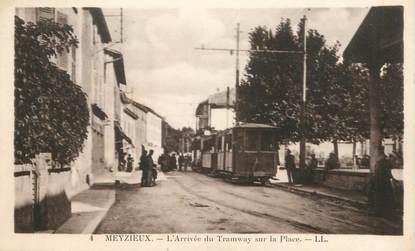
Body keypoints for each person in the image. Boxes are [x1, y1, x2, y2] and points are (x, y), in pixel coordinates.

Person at [369, 145, 396, 217]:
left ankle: (381, 211)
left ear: (379, 150)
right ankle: (382, 211)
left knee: (380, 195)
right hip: (381, 180)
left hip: (382, 181)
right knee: (382, 195)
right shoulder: (383, 159)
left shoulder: (382, 159)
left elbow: (386, 171)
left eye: (377, 150)